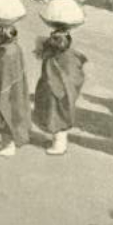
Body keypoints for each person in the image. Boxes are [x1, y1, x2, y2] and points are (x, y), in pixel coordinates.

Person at [33, 22, 87, 156]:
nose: (55, 43)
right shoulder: (54, 53)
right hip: (53, 91)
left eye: (58, 40)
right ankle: (56, 141)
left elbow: (73, 77)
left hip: (60, 93)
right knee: (53, 116)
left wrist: (60, 87)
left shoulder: (68, 57)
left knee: (59, 118)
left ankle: (59, 145)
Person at [0, 23, 31, 157]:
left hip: (7, 87)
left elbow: (3, 70)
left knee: (6, 113)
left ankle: (9, 145)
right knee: (5, 113)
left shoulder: (7, 51)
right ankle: (5, 142)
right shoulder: (12, 48)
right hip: (7, 85)